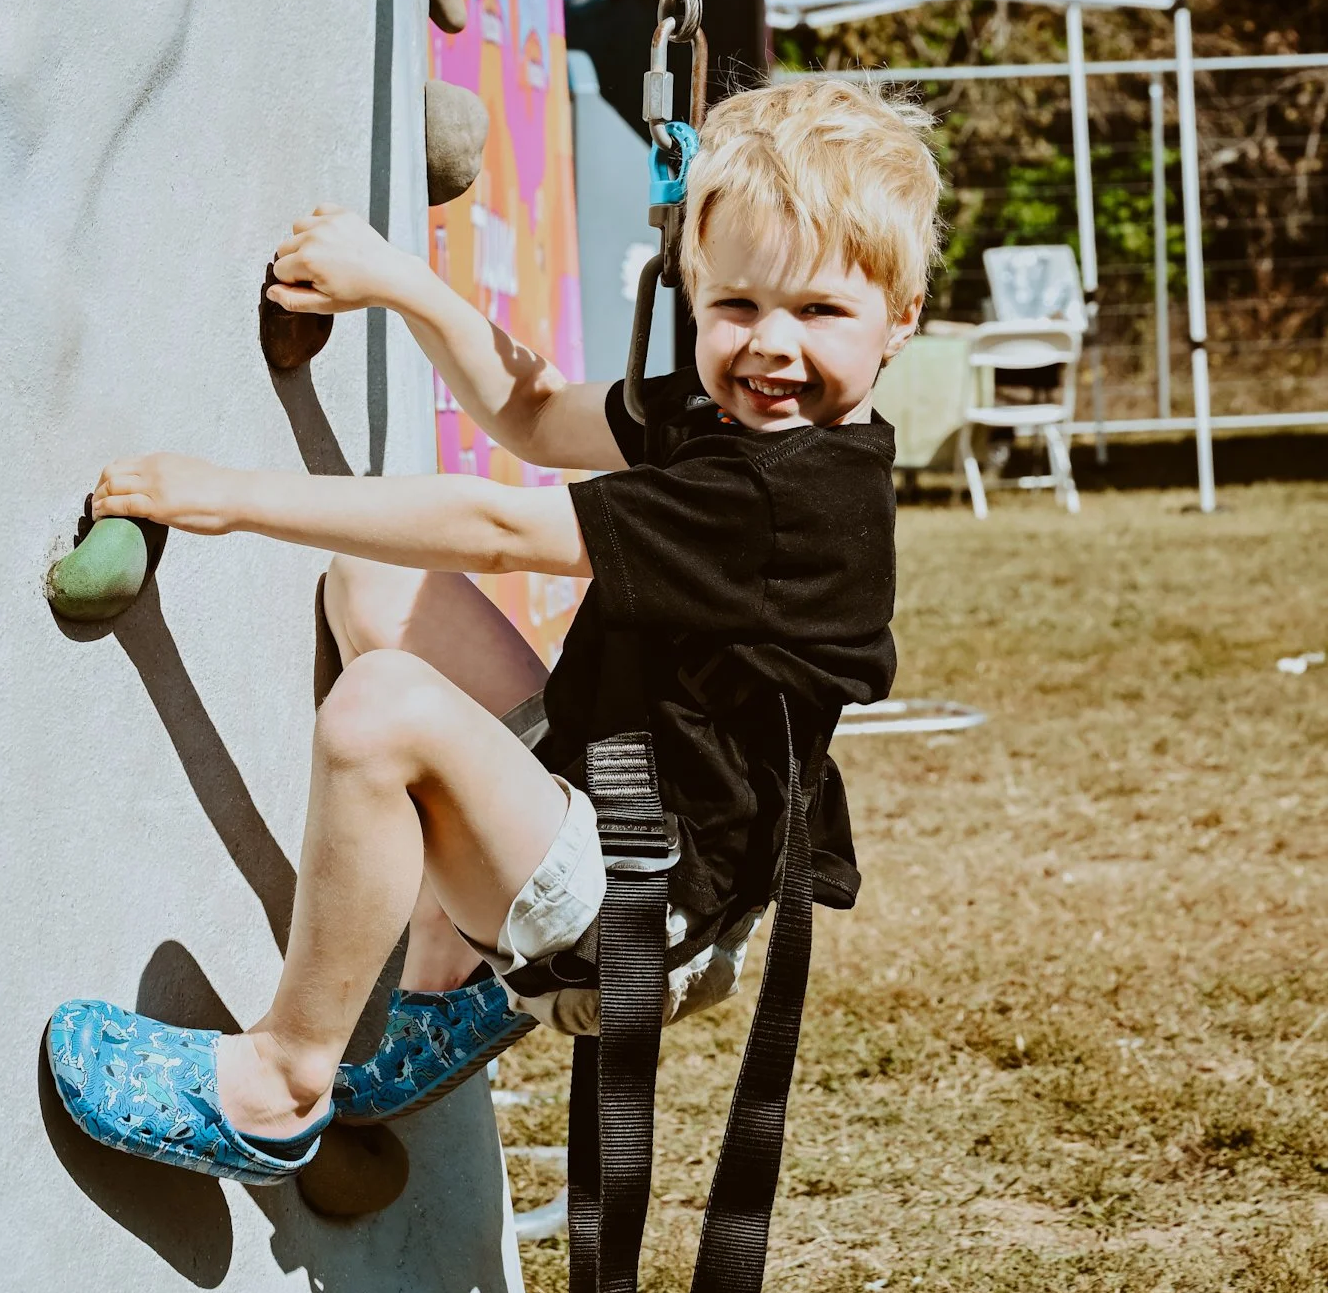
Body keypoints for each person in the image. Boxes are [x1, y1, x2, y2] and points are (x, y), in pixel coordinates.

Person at [47, 76, 941, 1183]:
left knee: (381, 712)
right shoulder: (723, 415)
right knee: (374, 582)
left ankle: (278, 1086)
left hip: (645, 904)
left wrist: (230, 496)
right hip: (602, 782)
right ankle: (441, 988)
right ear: (697, 290)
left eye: (820, 311)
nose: (769, 345)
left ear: (900, 318)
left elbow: (499, 523)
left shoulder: (792, 497)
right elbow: (530, 413)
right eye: (737, 304)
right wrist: (402, 284)